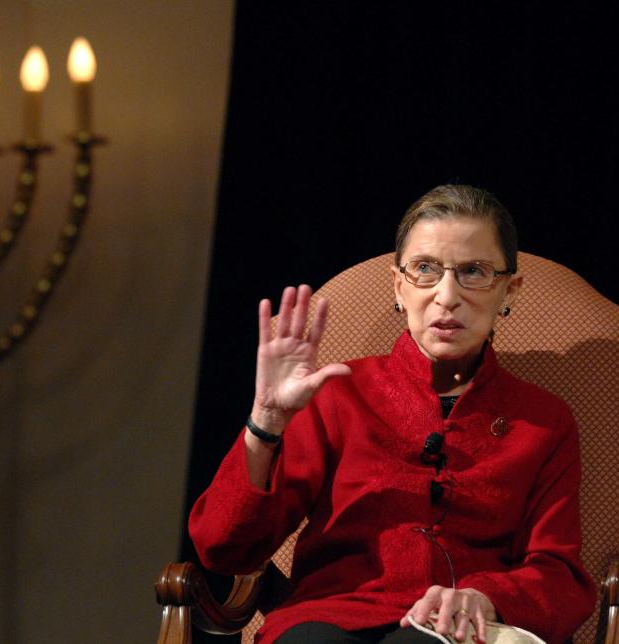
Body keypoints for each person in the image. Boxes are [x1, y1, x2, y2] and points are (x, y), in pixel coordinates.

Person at [188, 185, 597, 644]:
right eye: (425, 269)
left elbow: (559, 575)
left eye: (473, 272)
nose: (447, 295)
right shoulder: (337, 393)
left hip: (459, 629)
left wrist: (486, 595)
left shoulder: (543, 420)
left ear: (510, 290)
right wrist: (265, 423)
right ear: (398, 285)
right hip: (329, 619)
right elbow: (224, 550)